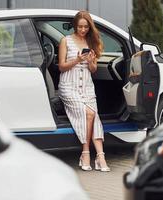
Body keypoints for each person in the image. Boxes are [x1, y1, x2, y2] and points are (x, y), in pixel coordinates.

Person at [58, 10, 110, 172]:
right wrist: (77, 60)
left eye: (86, 27)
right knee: (88, 113)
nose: (82, 30)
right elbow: (61, 67)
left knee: (93, 114)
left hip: (87, 86)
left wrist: (89, 61)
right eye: (80, 27)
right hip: (68, 86)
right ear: (75, 26)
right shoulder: (65, 41)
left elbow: (93, 70)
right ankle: (87, 152)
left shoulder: (91, 42)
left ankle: (100, 155)